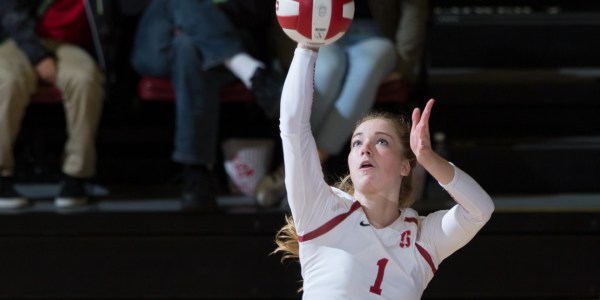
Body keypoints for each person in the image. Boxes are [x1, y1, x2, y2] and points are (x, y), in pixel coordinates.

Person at [272, 44, 494, 299]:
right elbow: (292, 126)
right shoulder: (322, 210)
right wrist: (307, 47)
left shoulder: (422, 238)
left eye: (381, 141)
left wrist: (429, 159)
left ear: (404, 165)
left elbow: (479, 210)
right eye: (356, 142)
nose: (365, 148)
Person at [255, 0, 429, 207]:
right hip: (320, 28)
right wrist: (293, 45)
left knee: (365, 70)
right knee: (327, 73)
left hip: (375, 35)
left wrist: (404, 62)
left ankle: (300, 169)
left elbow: (415, 7)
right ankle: (308, 171)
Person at [130, 0, 283, 212]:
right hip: (157, 42)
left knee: (187, 46)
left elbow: (258, 9)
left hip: (223, 37)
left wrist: (204, 18)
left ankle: (197, 170)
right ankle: (252, 72)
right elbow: (127, 7)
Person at [0, 0, 113, 209]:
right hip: (20, 40)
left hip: (68, 46)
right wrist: (38, 57)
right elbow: (11, 13)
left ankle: (76, 175)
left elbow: (107, 26)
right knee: (6, 79)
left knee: (85, 80)